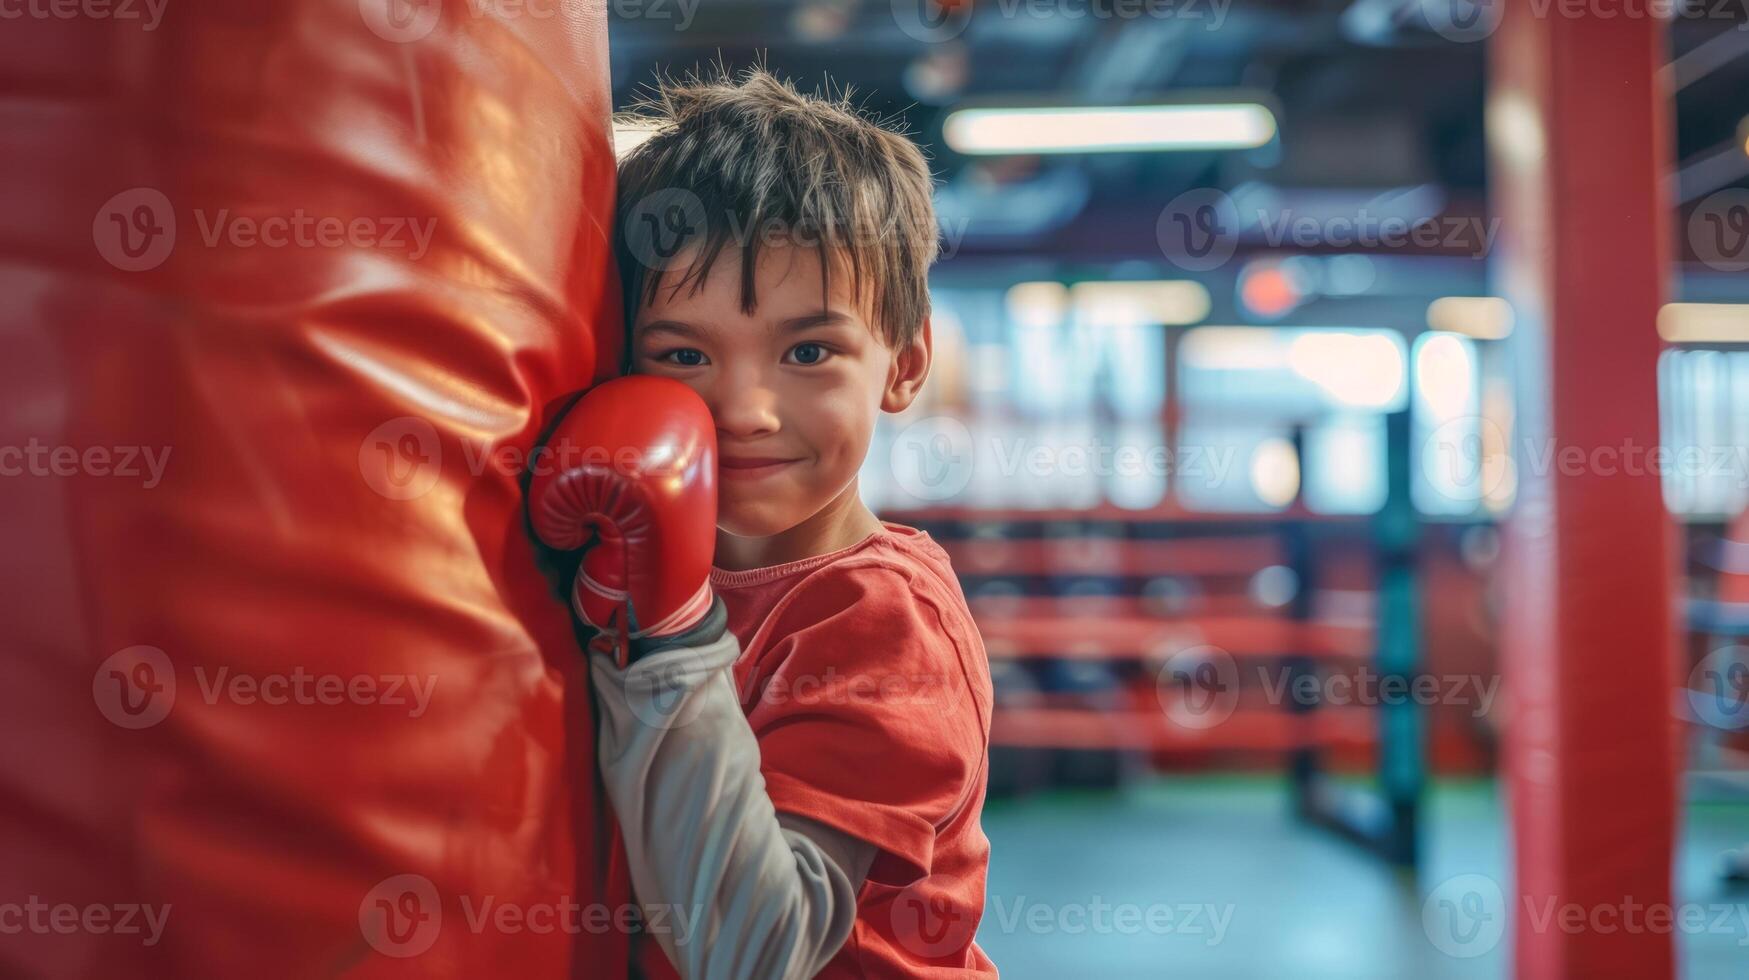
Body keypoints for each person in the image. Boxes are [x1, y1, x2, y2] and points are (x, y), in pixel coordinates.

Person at [529, 67, 998, 978]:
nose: (742, 408)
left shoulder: (881, 623)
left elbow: (753, 953)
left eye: (809, 350)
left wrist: (666, 637)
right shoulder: (626, 556)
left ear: (903, 366)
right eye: (684, 354)